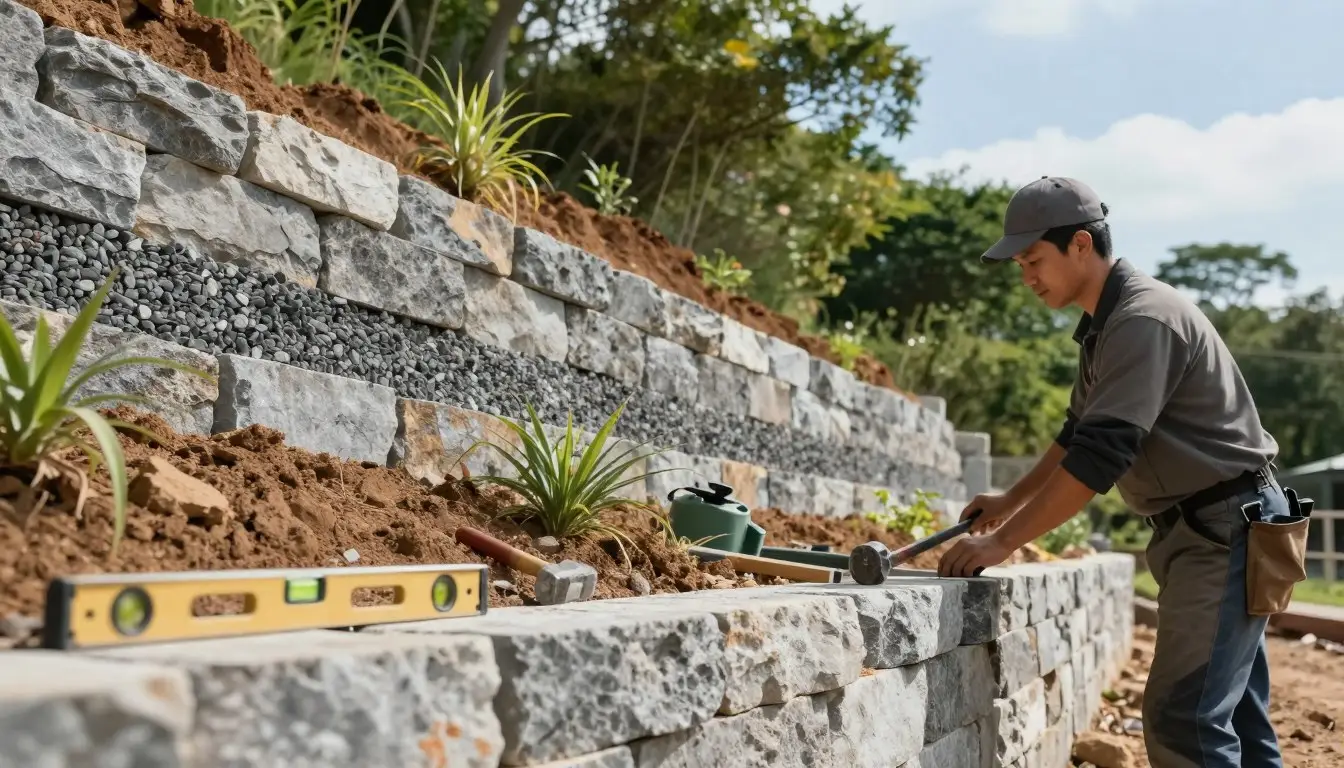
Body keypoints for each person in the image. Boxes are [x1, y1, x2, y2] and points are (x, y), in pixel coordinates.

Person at [937, 176, 1300, 767]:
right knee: (1229, 713)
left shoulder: (1143, 320)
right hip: (1212, 525)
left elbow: (1100, 457)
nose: (1026, 276)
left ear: (1081, 244)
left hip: (1226, 531)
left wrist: (1004, 541)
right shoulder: (1105, 327)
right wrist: (1009, 499)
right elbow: (1074, 435)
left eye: (1034, 259)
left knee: (1185, 719)